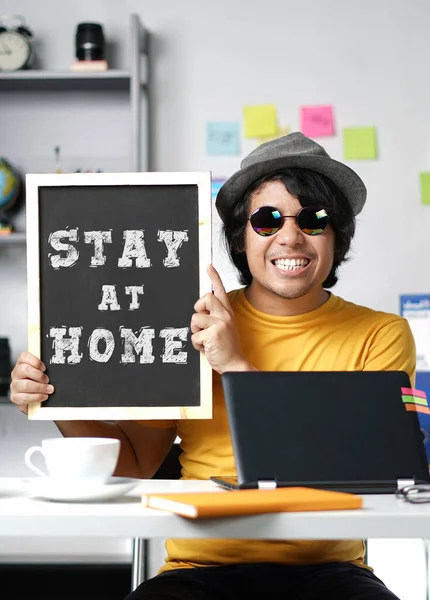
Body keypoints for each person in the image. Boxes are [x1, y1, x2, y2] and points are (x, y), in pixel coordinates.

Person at [10, 132, 414, 599]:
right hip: (198, 570)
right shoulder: (190, 324)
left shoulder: (381, 334)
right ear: (240, 239)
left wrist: (236, 365)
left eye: (314, 219)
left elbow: (366, 467)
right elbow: (136, 462)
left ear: (336, 236)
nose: (290, 236)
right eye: (266, 220)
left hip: (330, 572)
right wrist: (55, 397)